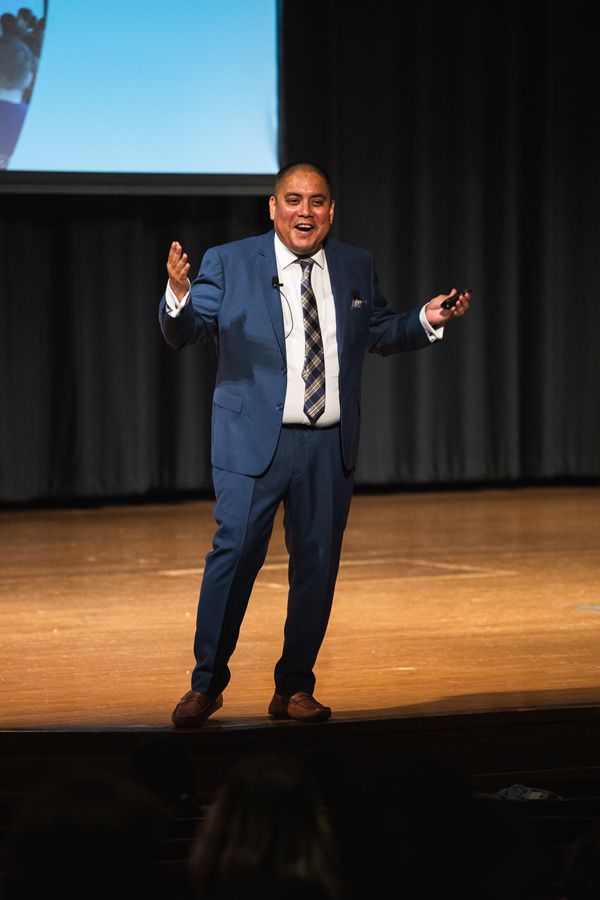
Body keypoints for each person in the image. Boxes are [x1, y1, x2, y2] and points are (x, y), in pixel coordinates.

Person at [160, 161, 469, 727]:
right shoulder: (228, 262)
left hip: (327, 447)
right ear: (273, 208)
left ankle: (294, 687)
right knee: (233, 560)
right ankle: (207, 684)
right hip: (254, 444)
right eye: (295, 200)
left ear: (331, 212)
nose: (306, 211)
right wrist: (178, 297)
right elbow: (188, 330)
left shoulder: (355, 264)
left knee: (317, 568)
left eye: (318, 202)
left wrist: (424, 318)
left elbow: (376, 330)